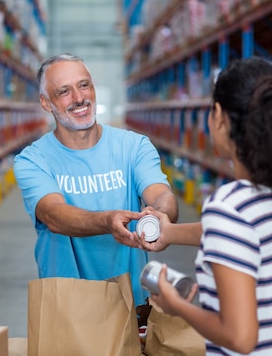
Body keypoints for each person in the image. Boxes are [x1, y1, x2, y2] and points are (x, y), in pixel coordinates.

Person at [137, 57, 272, 356]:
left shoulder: (228, 206)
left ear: (220, 117)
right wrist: (171, 232)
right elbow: (242, 231)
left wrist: (178, 306)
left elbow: (240, 336)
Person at [13, 53, 178, 305]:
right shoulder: (33, 160)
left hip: (131, 303)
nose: (79, 98)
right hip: (67, 308)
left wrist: (161, 215)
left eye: (84, 85)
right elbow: (53, 215)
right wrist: (107, 221)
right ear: (46, 103)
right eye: (64, 91)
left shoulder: (134, 146)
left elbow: (161, 195)